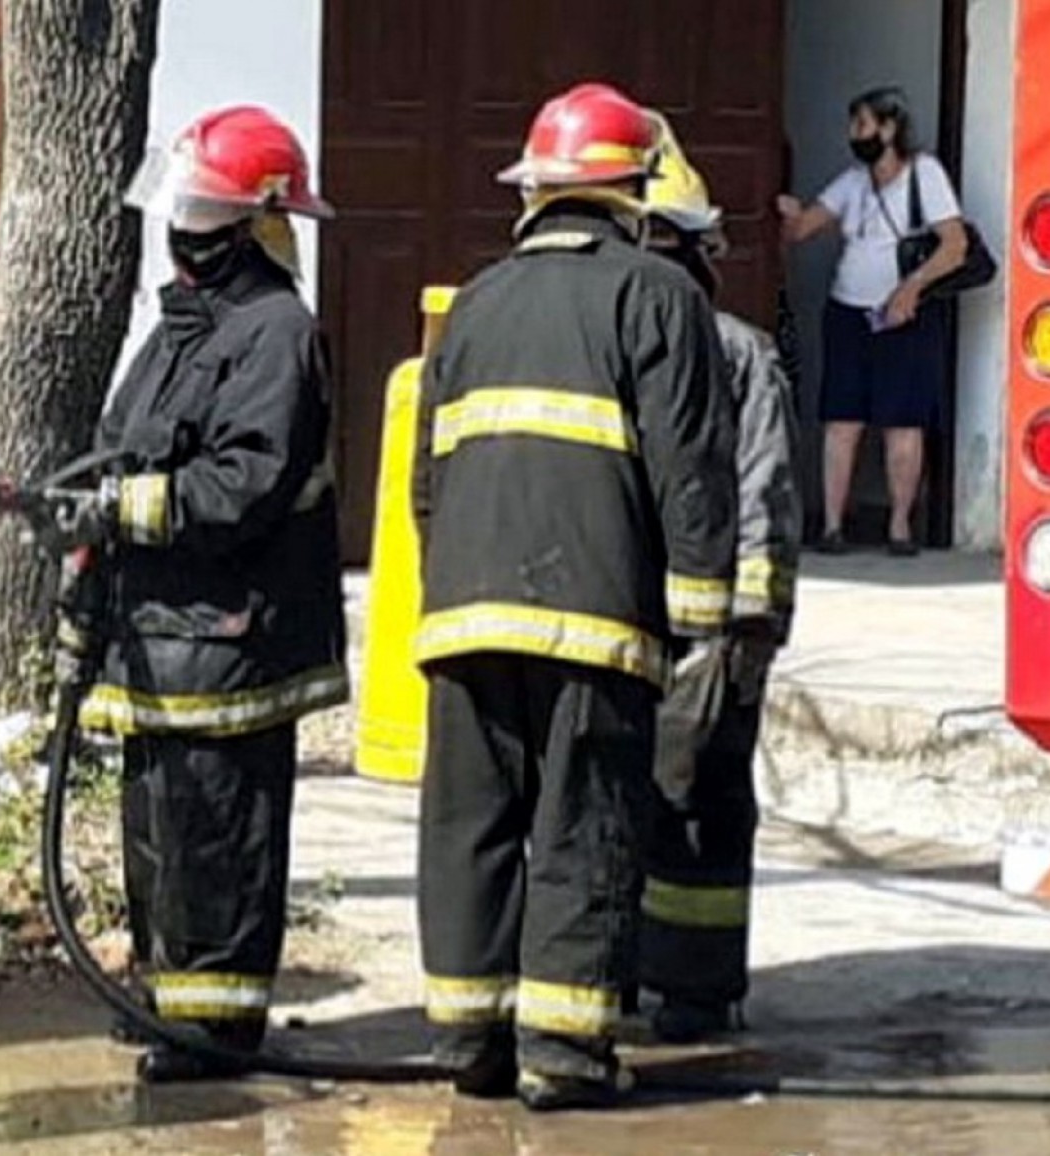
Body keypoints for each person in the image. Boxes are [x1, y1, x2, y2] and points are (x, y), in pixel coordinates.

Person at [411, 82, 738, 1111]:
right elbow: (691, 470)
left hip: (463, 612)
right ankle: (563, 1051)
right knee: (579, 824)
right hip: (595, 620)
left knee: (473, 822)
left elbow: (428, 479)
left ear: (535, 194)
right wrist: (700, 614)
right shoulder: (658, 295)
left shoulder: (474, 300)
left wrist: (456, 584)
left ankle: (469, 1040)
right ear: (632, 192)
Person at [71, 104, 347, 1083]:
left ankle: (217, 1030)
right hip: (159, 630)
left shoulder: (277, 333)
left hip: (234, 636)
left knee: (220, 837)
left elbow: (243, 485)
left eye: (201, 214)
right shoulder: (181, 327)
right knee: (159, 836)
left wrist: (128, 506)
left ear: (260, 224)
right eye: (180, 211)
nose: (183, 233)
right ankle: (167, 1003)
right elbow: (130, 443)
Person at [638, 111, 803, 1044]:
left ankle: (678, 985)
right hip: (696, 629)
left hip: (677, 630)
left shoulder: (731, 353)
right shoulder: (735, 348)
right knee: (694, 809)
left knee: (679, 804)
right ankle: (690, 994)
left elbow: (763, 494)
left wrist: (749, 630)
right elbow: (770, 492)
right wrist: (751, 629)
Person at [777, 85, 966, 557]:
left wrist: (911, 288)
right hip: (848, 313)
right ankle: (834, 526)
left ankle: (900, 527)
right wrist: (788, 211)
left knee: (903, 422)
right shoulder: (852, 181)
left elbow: (955, 244)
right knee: (842, 421)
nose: (853, 134)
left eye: (861, 124)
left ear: (889, 127)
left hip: (905, 318)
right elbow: (803, 230)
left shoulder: (925, 175)